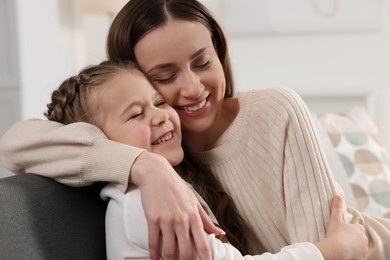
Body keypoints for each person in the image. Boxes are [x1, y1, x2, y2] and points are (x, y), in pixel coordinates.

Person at [0, 0, 389, 259]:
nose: (191, 89)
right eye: (164, 77)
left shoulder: (276, 109)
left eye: (202, 62)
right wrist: (143, 167)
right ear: (135, 76)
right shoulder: (153, 172)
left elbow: (343, 244)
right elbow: (15, 144)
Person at [43, 59, 367, 259]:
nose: (159, 116)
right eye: (137, 114)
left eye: (158, 102)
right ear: (98, 140)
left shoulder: (166, 187)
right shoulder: (145, 206)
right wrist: (331, 251)